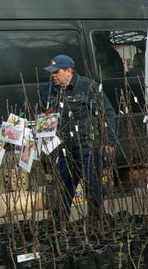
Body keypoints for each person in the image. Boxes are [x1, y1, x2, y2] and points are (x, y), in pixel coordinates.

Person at [40, 54, 117, 220]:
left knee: (93, 185)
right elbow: (45, 115)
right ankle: (60, 223)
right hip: (63, 148)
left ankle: (96, 220)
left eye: (56, 71)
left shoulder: (87, 87)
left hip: (87, 146)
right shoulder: (49, 90)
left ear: (69, 71)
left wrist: (109, 141)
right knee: (64, 186)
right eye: (51, 72)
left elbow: (108, 113)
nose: (53, 75)